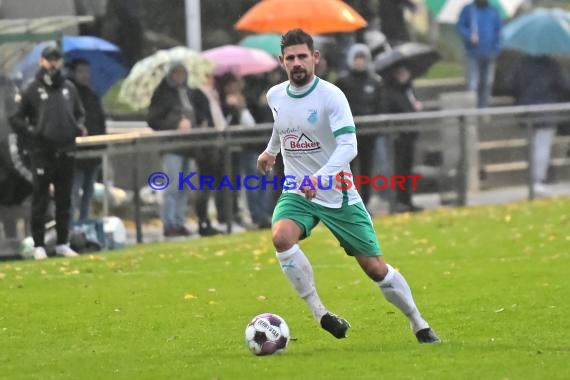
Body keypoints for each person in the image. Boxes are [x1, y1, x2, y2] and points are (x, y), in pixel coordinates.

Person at [257, 29, 440, 343]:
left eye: (303, 56)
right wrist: (271, 150)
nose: (297, 63)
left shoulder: (331, 95)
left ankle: (418, 322)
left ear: (316, 58)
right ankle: (322, 315)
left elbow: (349, 146)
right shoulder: (275, 95)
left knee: (375, 269)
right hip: (298, 191)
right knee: (280, 236)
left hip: (337, 193)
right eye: (291, 58)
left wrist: (321, 178)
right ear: (282, 62)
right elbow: (283, 123)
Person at [9, 46, 86, 260]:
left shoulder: (68, 88)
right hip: (42, 151)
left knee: (64, 200)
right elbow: (16, 118)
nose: (53, 63)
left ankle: (63, 242)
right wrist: (33, 132)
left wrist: (78, 127)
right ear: (42, 61)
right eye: (49, 59)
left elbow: (79, 114)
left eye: (56, 59)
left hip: (66, 150)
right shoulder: (32, 88)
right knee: (41, 199)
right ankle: (39, 245)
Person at [147, 62, 221, 238]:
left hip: (189, 145)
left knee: (184, 185)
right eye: (176, 73)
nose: (180, 77)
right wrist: (175, 125)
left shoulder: (189, 92)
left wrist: (201, 121)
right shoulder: (162, 94)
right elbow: (153, 120)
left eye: (182, 73)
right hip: (172, 145)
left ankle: (179, 222)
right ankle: (169, 222)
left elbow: (196, 112)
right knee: (172, 185)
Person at [508, 55, 570, 196]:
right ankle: (537, 179)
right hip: (546, 111)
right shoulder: (551, 65)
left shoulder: (520, 64)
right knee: (542, 146)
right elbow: (565, 84)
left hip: (526, 110)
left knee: (532, 145)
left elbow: (511, 84)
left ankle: (532, 178)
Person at [335, 44, 385, 209]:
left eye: (363, 59)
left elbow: (379, 105)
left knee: (366, 168)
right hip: (347, 135)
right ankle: (347, 201)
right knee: (347, 169)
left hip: (368, 135)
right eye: (357, 59)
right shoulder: (342, 82)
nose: (360, 62)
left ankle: (365, 201)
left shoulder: (375, 81)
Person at [68, 58, 107, 222]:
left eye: (87, 71)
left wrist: (101, 144)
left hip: (93, 152)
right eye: (81, 71)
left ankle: (84, 223)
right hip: (76, 154)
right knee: (74, 192)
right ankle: (70, 226)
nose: (85, 75)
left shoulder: (92, 96)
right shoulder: (68, 96)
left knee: (89, 193)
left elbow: (100, 122)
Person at [382, 64, 424, 213]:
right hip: (398, 136)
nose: (403, 75)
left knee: (407, 169)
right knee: (399, 169)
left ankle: (407, 200)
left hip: (410, 135)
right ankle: (399, 201)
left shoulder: (409, 90)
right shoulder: (391, 92)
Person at [456, 0, 502, 108]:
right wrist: (469, 36)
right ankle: (472, 110)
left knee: (487, 83)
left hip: (490, 53)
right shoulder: (468, 10)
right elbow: (460, 27)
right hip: (473, 53)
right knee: (473, 82)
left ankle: (484, 108)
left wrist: (497, 47)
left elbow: (498, 31)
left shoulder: (493, 11)